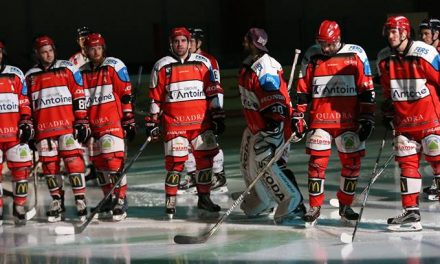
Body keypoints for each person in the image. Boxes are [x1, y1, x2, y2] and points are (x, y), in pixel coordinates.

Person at [296, 20, 375, 226]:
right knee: (316, 165)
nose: (326, 48)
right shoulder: (312, 55)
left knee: (352, 165)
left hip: (348, 122)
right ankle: (314, 206)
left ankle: (345, 205)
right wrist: (299, 115)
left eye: (329, 44)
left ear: (339, 39)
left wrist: (367, 117)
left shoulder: (356, 54)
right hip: (320, 120)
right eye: (322, 43)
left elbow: (366, 87)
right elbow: (303, 89)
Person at [145, 27, 225, 219]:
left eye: (183, 41)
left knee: (205, 161)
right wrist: (152, 121)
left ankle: (204, 197)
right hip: (174, 125)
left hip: (200, 124)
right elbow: (155, 98)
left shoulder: (203, 63)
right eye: (176, 41)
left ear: (190, 43)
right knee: (175, 164)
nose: (179, 44)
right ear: (170, 44)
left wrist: (218, 116)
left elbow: (212, 91)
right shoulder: (162, 66)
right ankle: (170, 202)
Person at [378, 16, 440, 231]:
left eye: (394, 31)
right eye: (388, 31)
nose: (390, 35)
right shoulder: (385, 59)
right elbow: (388, 91)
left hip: (430, 121)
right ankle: (412, 212)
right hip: (404, 124)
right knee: (407, 166)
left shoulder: (424, 53)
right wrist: (387, 109)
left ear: (405, 32)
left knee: (438, 164)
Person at [238, 28, 305, 221]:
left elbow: (274, 98)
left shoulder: (265, 66)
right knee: (248, 163)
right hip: (256, 125)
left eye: (248, 41)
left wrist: (273, 126)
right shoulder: (250, 64)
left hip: (271, 126)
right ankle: (263, 199)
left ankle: (294, 202)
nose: (245, 43)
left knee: (266, 161)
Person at [25, 35, 90, 222]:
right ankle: (56, 200)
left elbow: (79, 94)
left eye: (50, 51)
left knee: (73, 163)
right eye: (44, 52)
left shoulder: (67, 68)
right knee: (50, 167)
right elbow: (27, 105)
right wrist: (29, 127)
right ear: (37, 54)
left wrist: (81, 120)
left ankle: (80, 199)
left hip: (67, 126)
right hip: (44, 130)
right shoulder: (30, 76)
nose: (48, 55)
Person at [80, 33, 135, 221]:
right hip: (93, 125)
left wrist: (128, 118)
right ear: (86, 51)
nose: (95, 51)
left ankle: (120, 198)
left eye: (98, 47)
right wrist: (82, 122)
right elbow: (80, 100)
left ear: (104, 48)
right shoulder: (82, 72)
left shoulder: (114, 65)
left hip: (112, 122)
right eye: (91, 48)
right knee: (100, 165)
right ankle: (109, 197)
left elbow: (125, 92)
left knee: (113, 162)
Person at [179, 27, 227, 194]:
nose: (187, 44)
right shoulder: (184, 59)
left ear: (199, 42)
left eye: (191, 41)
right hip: (191, 110)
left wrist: (216, 112)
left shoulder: (208, 60)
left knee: (210, 142)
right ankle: (193, 176)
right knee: (189, 145)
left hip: (207, 108)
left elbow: (215, 87)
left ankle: (219, 176)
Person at [0, 40, 33, 225]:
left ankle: (19, 205)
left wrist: (27, 122)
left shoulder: (15, 73)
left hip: (14, 134)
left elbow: (24, 101)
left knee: (21, 171)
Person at [69, 26, 97, 184]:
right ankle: (91, 167)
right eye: (81, 38)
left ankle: (100, 165)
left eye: (86, 36)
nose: (84, 40)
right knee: (85, 135)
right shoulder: (73, 60)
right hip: (82, 101)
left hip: (97, 100)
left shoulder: (99, 55)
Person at [418, 18, 440, 200]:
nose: (423, 37)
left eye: (426, 34)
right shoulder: (425, 52)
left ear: (436, 34)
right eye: (422, 34)